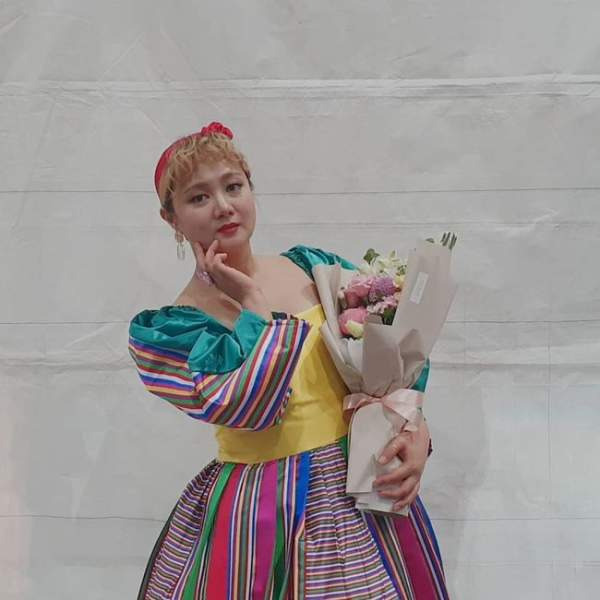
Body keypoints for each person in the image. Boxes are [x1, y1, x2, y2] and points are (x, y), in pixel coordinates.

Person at [128, 121, 450, 599]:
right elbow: (250, 407)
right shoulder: (173, 330)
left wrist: (414, 431)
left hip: (363, 489)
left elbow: (390, 353)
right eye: (198, 197)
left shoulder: (310, 267)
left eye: (233, 186)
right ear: (170, 218)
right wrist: (253, 305)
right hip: (262, 513)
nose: (223, 206)